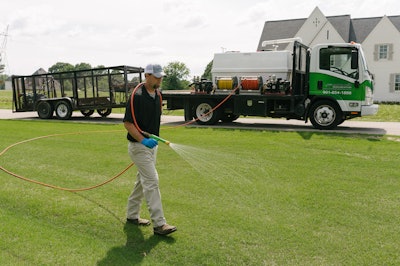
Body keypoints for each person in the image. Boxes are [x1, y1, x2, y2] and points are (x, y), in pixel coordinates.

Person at [123, 64, 177, 236]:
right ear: (147, 75)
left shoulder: (158, 95)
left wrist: (151, 140)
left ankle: (132, 216)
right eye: (156, 76)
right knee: (152, 180)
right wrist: (143, 140)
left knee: (142, 181)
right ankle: (159, 224)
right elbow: (128, 123)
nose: (159, 79)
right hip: (139, 147)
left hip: (152, 146)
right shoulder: (136, 96)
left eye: (161, 77)